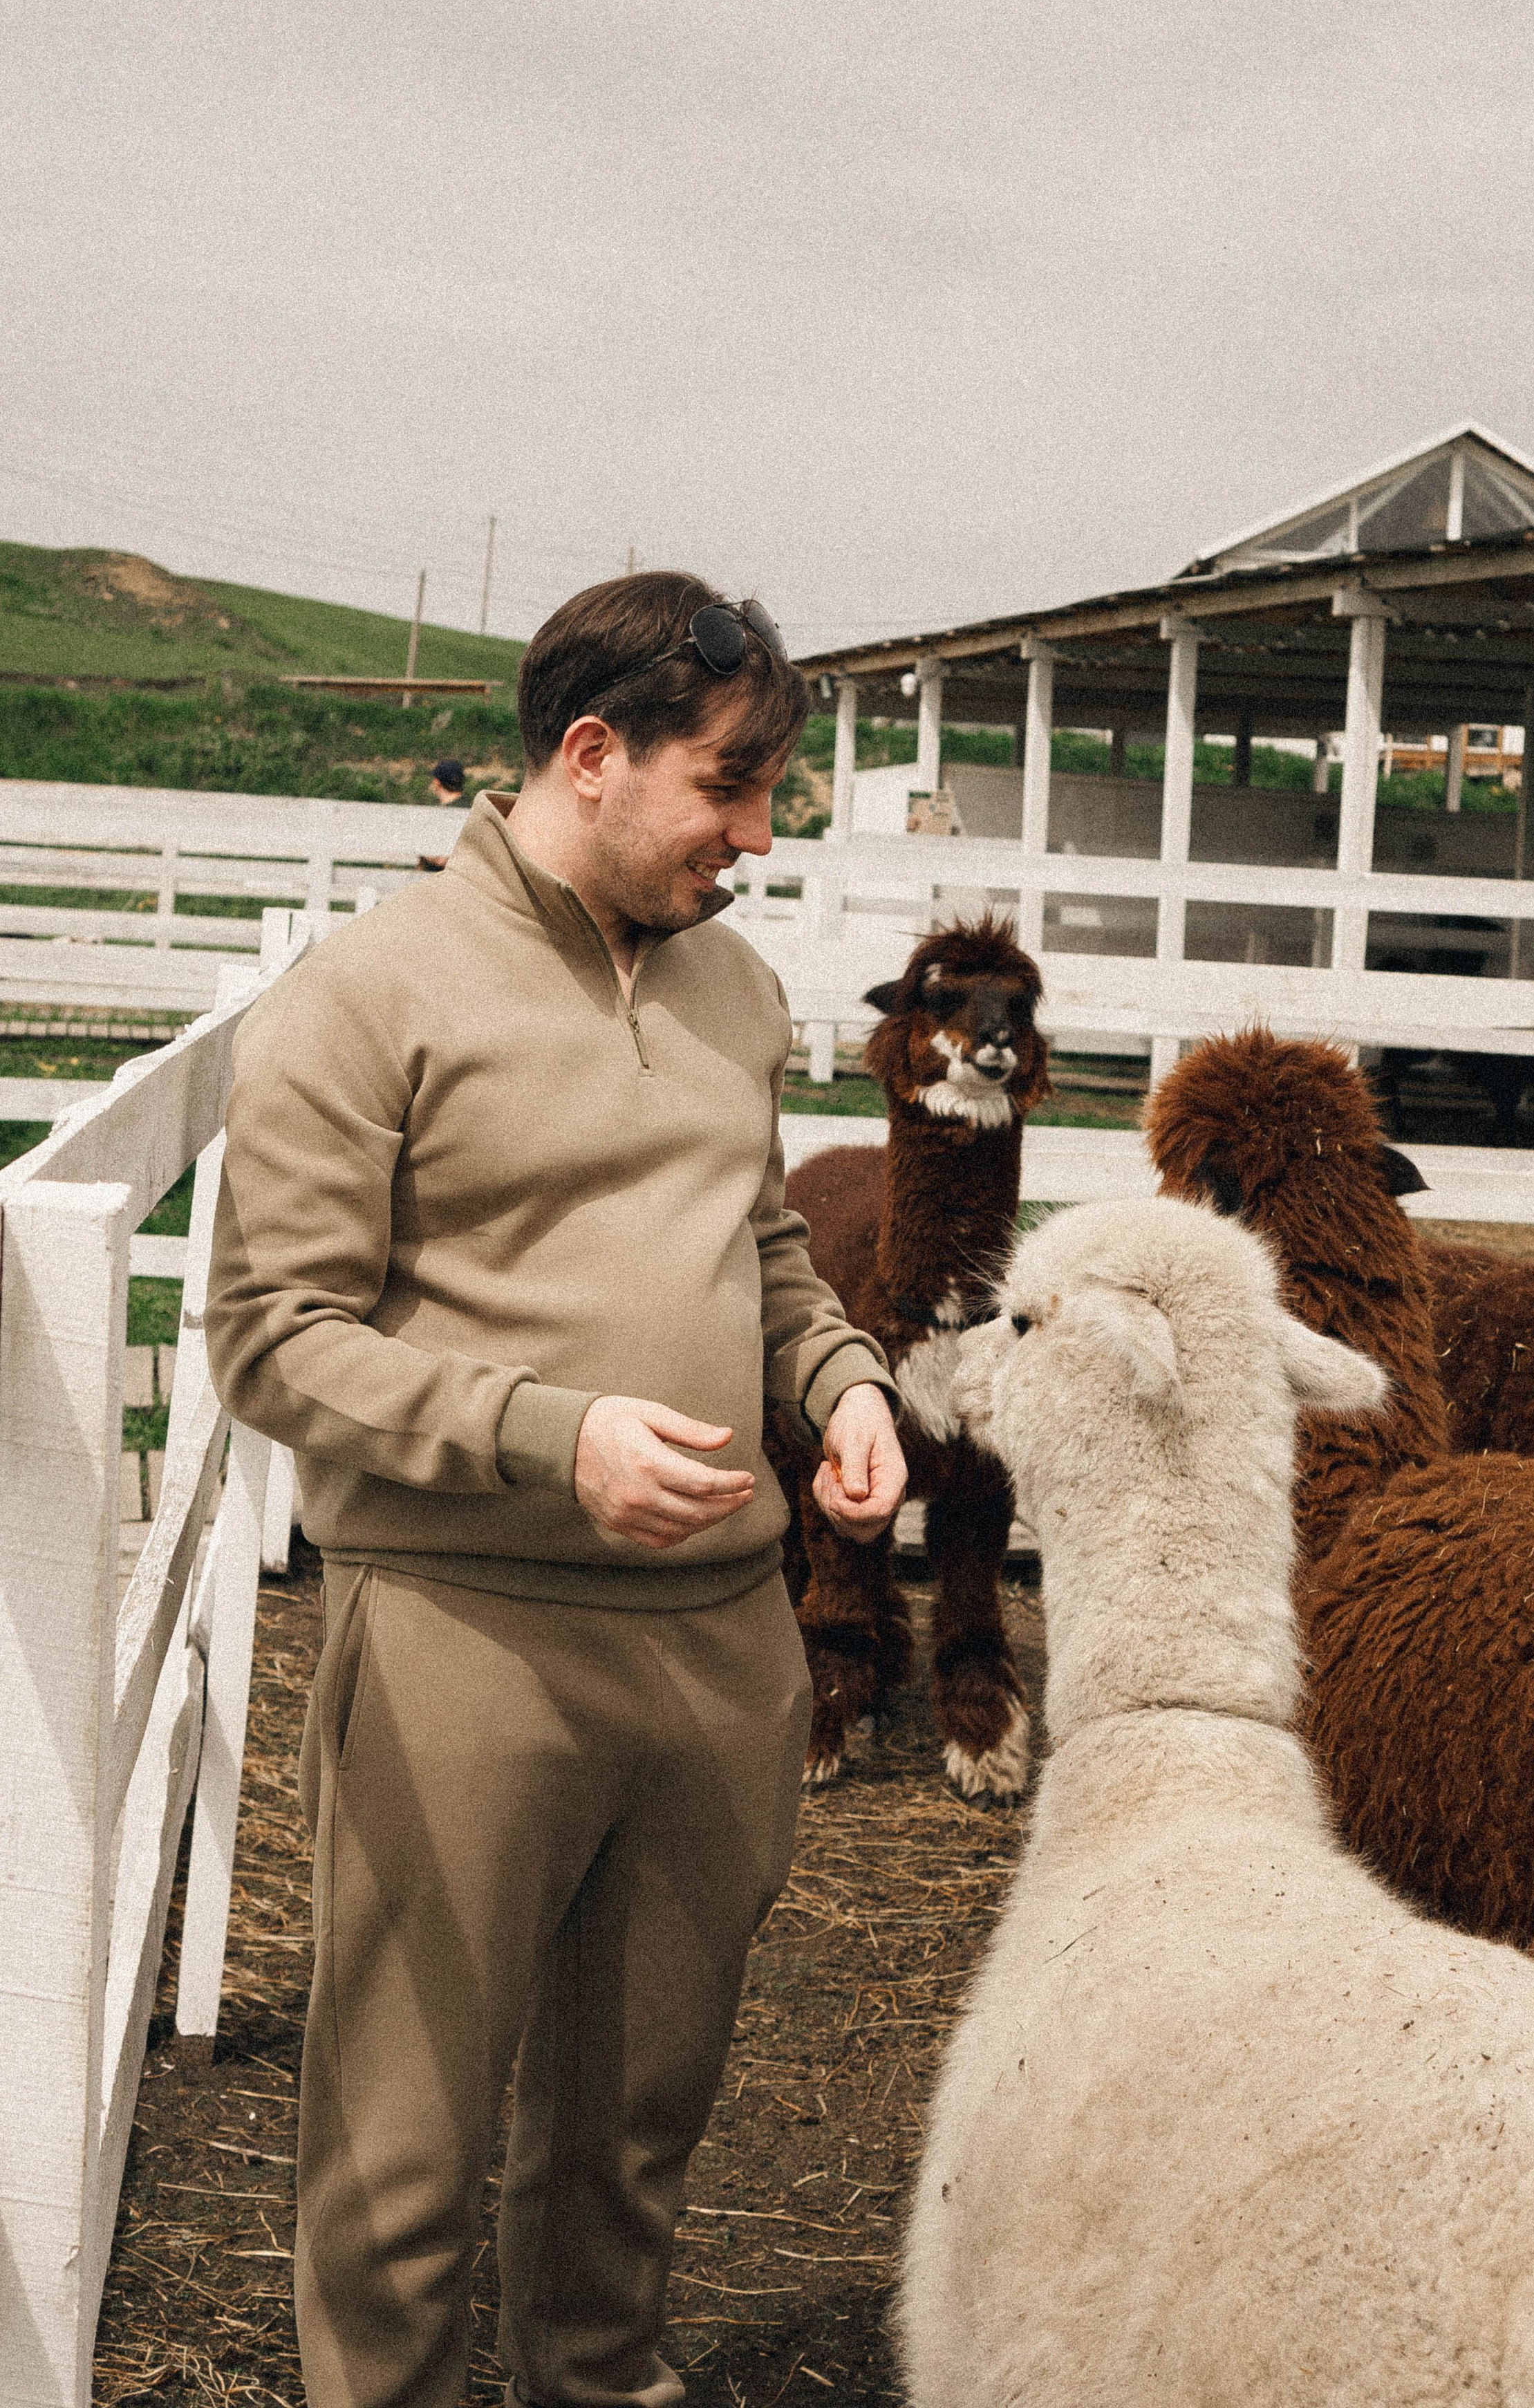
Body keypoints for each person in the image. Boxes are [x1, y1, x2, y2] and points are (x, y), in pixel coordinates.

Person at [207, 571, 908, 2408]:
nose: (758, 837)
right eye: (729, 788)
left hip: (716, 1650)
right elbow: (272, 1340)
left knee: (636, 2135)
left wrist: (836, 1384)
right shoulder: (366, 999)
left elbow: (763, 1250)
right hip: (468, 1640)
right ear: (591, 756)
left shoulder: (736, 988)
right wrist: (556, 1436)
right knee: (402, 2158)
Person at [418, 756, 467, 868]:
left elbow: (440, 859)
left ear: (437, 782)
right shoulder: (471, 807)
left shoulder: (442, 814)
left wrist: (420, 849)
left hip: (441, 876)